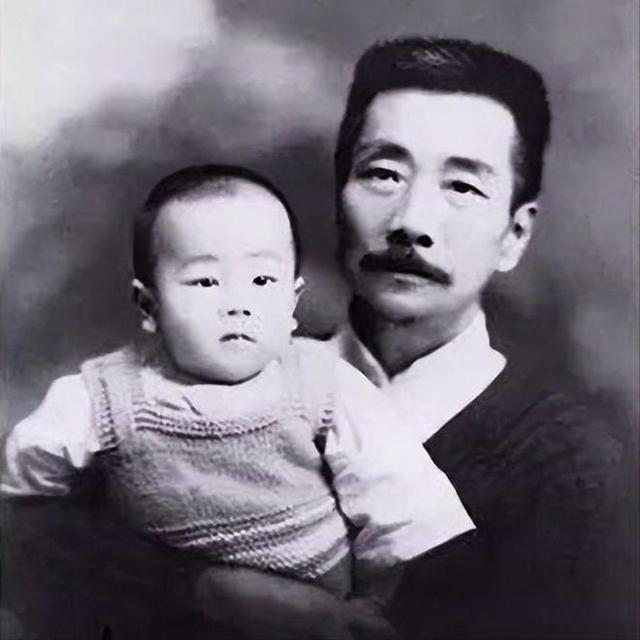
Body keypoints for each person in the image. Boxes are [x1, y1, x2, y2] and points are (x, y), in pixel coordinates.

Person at [192, 37, 630, 639]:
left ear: (515, 235)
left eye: (462, 187)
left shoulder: (569, 466)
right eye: (383, 174)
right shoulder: (227, 383)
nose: (410, 223)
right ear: (339, 194)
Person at [1, 164, 473, 636]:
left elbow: (401, 500)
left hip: (318, 622)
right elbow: (26, 492)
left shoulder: (322, 383)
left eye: (262, 281)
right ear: (149, 305)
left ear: (291, 302)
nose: (238, 304)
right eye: (206, 282)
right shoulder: (101, 397)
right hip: (165, 616)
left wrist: (376, 606)